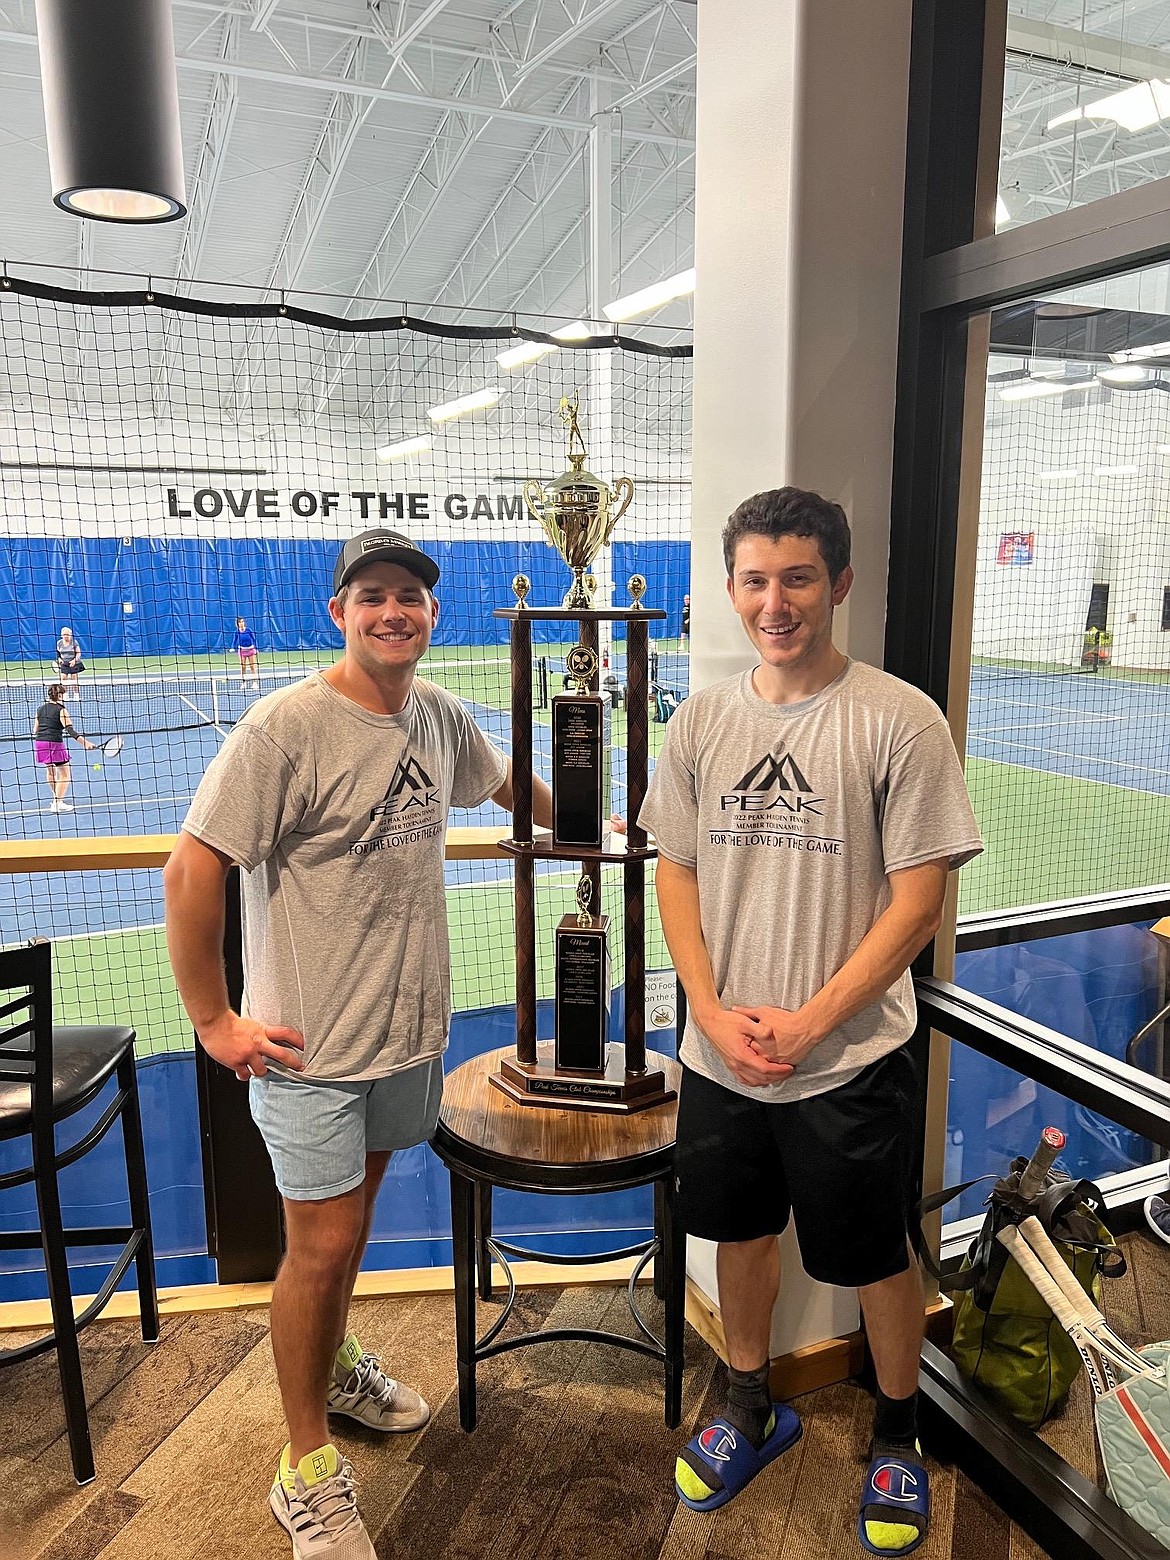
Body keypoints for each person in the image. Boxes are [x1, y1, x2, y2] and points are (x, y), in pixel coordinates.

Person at [163, 528, 552, 1560]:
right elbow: (191, 871)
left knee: (351, 1233)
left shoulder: (437, 716)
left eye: (411, 598)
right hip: (310, 1054)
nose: (394, 612)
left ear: (432, 615)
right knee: (319, 1248)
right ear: (339, 612)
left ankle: (333, 1369)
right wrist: (213, 1021)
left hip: (403, 1039)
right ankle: (305, 1473)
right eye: (372, 595)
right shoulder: (283, 728)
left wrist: (611, 822)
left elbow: (514, 792)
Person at [639, 488, 983, 1558]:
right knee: (739, 1231)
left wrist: (813, 1018)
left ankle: (896, 1431)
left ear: (838, 583)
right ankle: (748, 1399)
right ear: (730, 589)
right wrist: (707, 1006)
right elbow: (678, 872)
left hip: (848, 1060)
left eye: (796, 578)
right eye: (754, 580)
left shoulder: (897, 718)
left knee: (876, 1255)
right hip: (721, 1054)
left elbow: (917, 899)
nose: (774, 601)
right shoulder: (701, 720)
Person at [33, 683, 96, 812]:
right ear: (60, 695)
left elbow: (35, 730)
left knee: (50, 772)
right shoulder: (62, 710)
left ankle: (56, 798)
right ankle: (57, 803)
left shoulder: (40, 709)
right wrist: (86, 743)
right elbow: (70, 731)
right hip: (54, 743)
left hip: (40, 743)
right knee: (65, 775)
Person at [55, 626, 85, 697]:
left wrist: (74, 661)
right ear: (62, 635)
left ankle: (76, 694)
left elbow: (78, 653)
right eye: (64, 634)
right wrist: (59, 659)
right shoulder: (59, 643)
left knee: (74, 678)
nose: (66, 636)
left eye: (68, 635)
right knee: (63, 679)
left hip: (74, 663)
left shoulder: (74, 642)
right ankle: (65, 694)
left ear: (70, 635)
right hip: (64, 664)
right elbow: (58, 653)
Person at [232, 615, 260, 688]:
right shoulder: (237, 632)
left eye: (242, 622)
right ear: (237, 624)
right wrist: (232, 648)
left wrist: (256, 648)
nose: (242, 623)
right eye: (240, 622)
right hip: (242, 651)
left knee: (252, 667)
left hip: (250, 650)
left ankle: (255, 682)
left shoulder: (248, 630)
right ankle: (243, 683)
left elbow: (254, 639)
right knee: (243, 667)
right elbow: (234, 641)